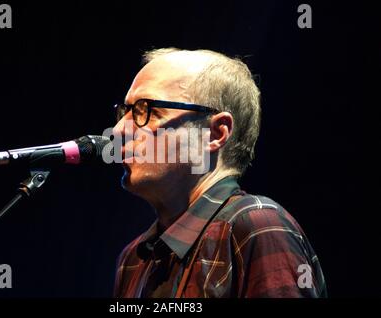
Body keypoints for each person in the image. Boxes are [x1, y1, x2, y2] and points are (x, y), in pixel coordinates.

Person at [111, 48, 326, 298]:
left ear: (215, 133)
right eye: (124, 112)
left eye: (145, 110)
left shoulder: (257, 226)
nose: (117, 130)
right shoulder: (134, 258)